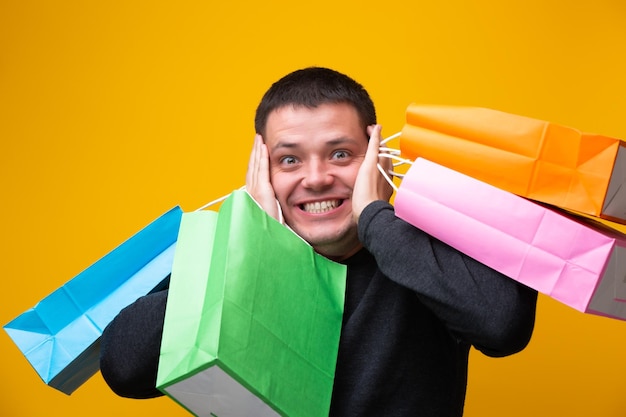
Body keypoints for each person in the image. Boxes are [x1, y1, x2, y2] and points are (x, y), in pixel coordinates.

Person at [100, 67, 538, 416]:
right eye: (289, 160)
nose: (316, 178)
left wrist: (375, 219)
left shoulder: (418, 244)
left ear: (376, 157)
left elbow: (504, 326)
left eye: (340, 154)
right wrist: (256, 245)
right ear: (264, 172)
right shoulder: (240, 253)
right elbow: (125, 368)